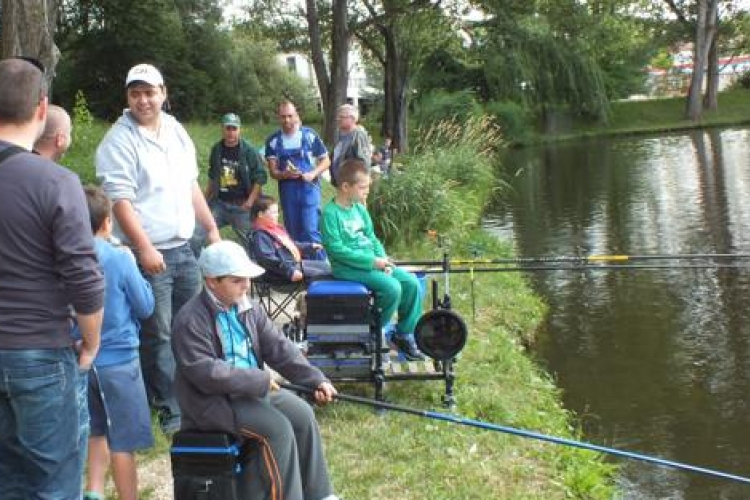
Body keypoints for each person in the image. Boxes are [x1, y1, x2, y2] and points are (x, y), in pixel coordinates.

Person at [96, 63, 221, 434]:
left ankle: (194, 393)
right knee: (160, 332)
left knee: (193, 325)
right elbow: (120, 201)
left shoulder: (176, 130)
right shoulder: (118, 141)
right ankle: (169, 404)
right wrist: (145, 248)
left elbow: (192, 185)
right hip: (150, 253)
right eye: (136, 93)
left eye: (149, 92)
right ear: (127, 98)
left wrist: (211, 228)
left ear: (163, 93)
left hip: (185, 246)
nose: (143, 100)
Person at [0, 57, 104, 499]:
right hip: (39, 351)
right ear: (42, 108)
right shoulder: (55, 181)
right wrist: (92, 341)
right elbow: (83, 274)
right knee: (54, 486)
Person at [172, 240, 340, 500]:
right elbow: (206, 373)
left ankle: (319, 495)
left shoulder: (248, 307)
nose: (246, 286)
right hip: (215, 402)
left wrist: (315, 380)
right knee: (277, 429)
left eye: (246, 279)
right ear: (211, 281)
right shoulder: (189, 320)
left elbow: (279, 348)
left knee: (303, 414)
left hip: (253, 391)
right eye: (237, 280)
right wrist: (259, 379)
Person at [81, 186, 155, 500]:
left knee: (96, 428)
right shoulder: (119, 258)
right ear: (107, 222)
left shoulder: (63, 257)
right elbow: (146, 306)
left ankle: (94, 491)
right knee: (123, 440)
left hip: (82, 360)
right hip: (120, 362)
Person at [320, 158, 425, 360]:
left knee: (411, 283)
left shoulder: (359, 208)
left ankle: (403, 334)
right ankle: (372, 331)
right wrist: (372, 262)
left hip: (373, 262)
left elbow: (372, 237)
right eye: (363, 187)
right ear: (345, 187)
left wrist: (382, 258)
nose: (367, 191)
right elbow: (336, 250)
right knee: (392, 288)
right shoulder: (330, 214)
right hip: (347, 267)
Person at [192, 112, 267, 255]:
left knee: (252, 244)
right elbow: (213, 177)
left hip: (242, 205)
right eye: (228, 128)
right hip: (220, 204)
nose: (231, 132)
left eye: (234, 128)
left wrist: (250, 202)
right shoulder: (217, 150)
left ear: (239, 129)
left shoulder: (249, 151)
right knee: (196, 233)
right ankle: (198, 266)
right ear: (222, 129)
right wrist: (204, 201)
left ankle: (256, 274)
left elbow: (260, 178)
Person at [265, 101, 330, 256]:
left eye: (290, 116)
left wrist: (313, 173)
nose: (287, 120)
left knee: (310, 229)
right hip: (288, 191)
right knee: (293, 232)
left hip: (309, 189)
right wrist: (284, 174)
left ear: (296, 116)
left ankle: (322, 268)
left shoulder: (309, 135)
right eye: (283, 117)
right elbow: (273, 172)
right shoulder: (273, 141)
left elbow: (326, 160)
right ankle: (300, 268)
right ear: (278, 118)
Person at [250, 194, 333, 282]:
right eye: (273, 212)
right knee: (327, 274)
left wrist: (310, 246)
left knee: (330, 268)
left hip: (295, 264)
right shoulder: (260, 235)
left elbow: (291, 245)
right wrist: (290, 271)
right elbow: (268, 260)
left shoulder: (277, 229)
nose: (277, 215)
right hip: (281, 274)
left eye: (277, 212)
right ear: (261, 214)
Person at [330, 103, 371, 186]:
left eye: (341, 117)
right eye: (338, 116)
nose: (338, 119)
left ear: (352, 118)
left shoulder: (358, 135)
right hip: (342, 184)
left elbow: (363, 163)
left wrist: (359, 184)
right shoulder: (341, 135)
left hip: (352, 186)